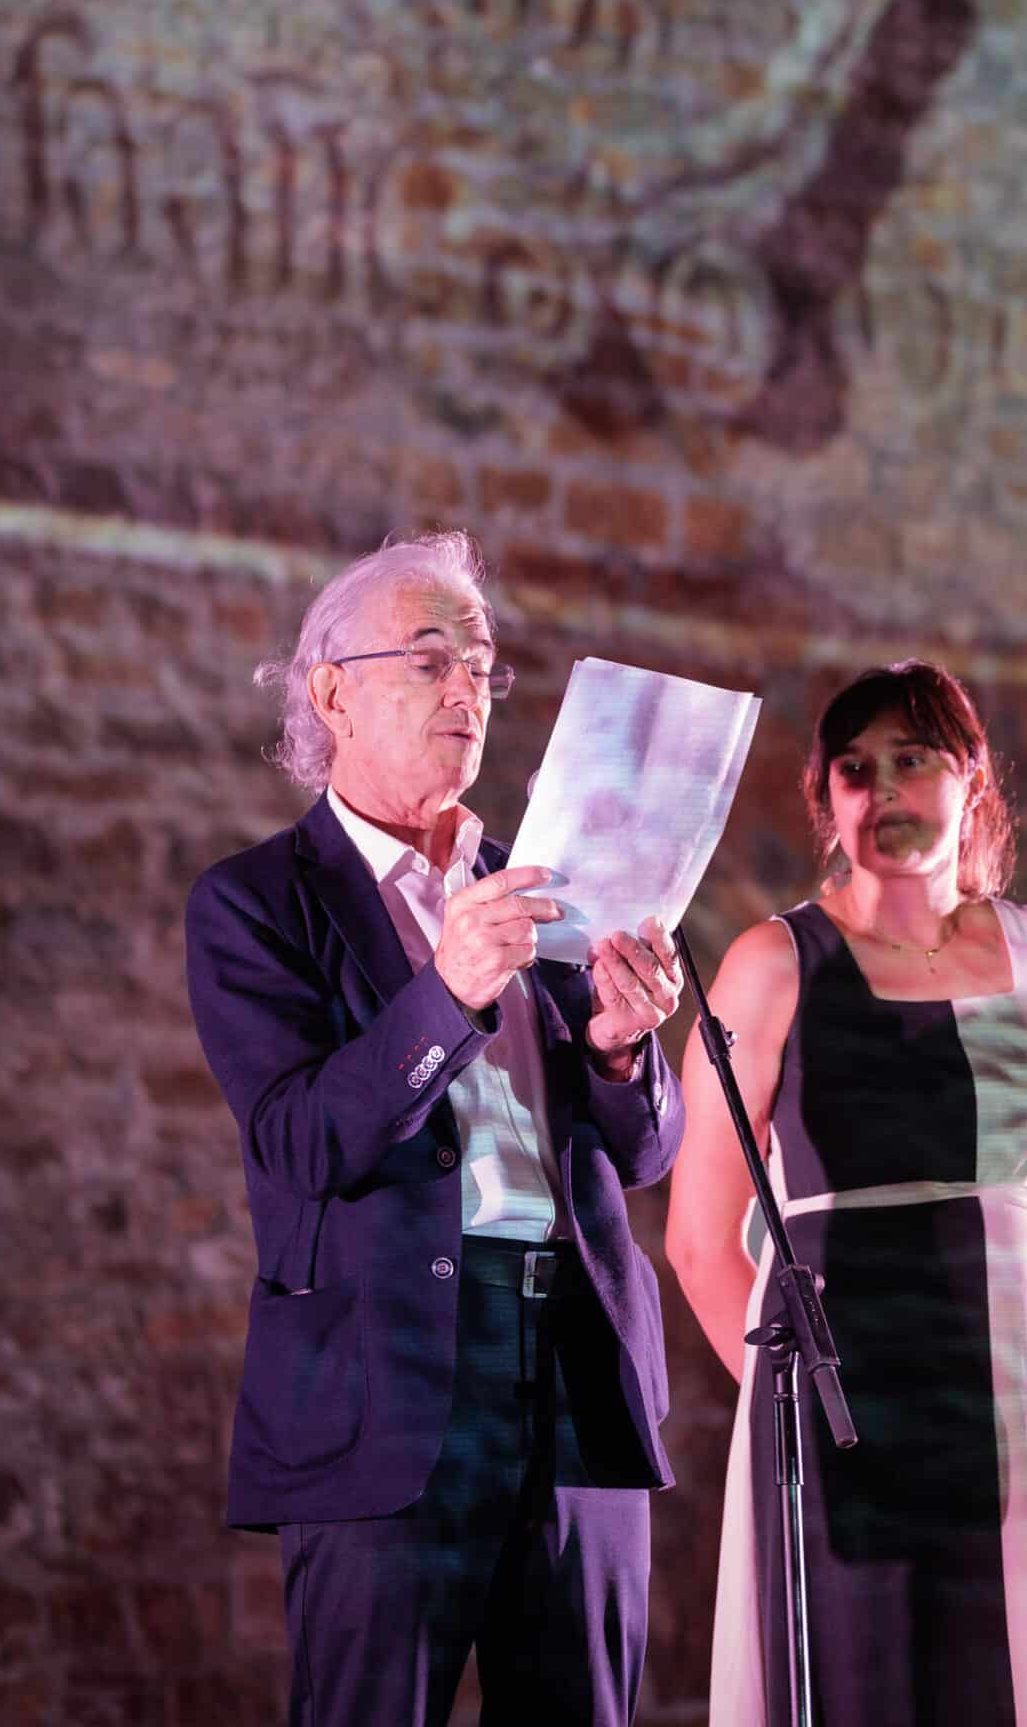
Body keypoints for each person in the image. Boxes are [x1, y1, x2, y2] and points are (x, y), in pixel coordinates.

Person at [185, 528, 684, 1727]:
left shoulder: (550, 885)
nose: (467, 689)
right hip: (386, 1386)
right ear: (331, 693)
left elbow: (647, 1153)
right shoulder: (255, 902)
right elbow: (304, 1143)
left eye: (482, 666)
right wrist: (448, 992)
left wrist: (623, 1044)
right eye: (427, 660)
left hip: (573, 1372)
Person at [665, 659, 1027, 1727]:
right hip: (857, 1425)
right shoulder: (774, 962)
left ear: (971, 778)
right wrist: (797, 1411)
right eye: (854, 768)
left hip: (1025, 1416)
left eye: (912, 758)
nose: (881, 787)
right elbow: (701, 1238)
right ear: (828, 801)